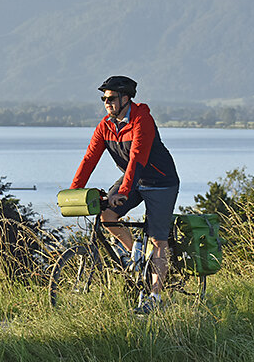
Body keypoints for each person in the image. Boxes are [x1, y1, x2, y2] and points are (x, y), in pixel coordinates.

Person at [69, 76, 179, 314]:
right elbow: (90, 159)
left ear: (125, 98)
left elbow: (138, 158)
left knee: (157, 239)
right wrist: (74, 191)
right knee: (107, 215)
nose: (106, 103)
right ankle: (136, 257)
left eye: (111, 98)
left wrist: (125, 191)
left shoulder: (142, 120)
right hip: (134, 179)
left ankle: (155, 297)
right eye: (103, 99)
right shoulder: (106, 125)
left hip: (161, 182)